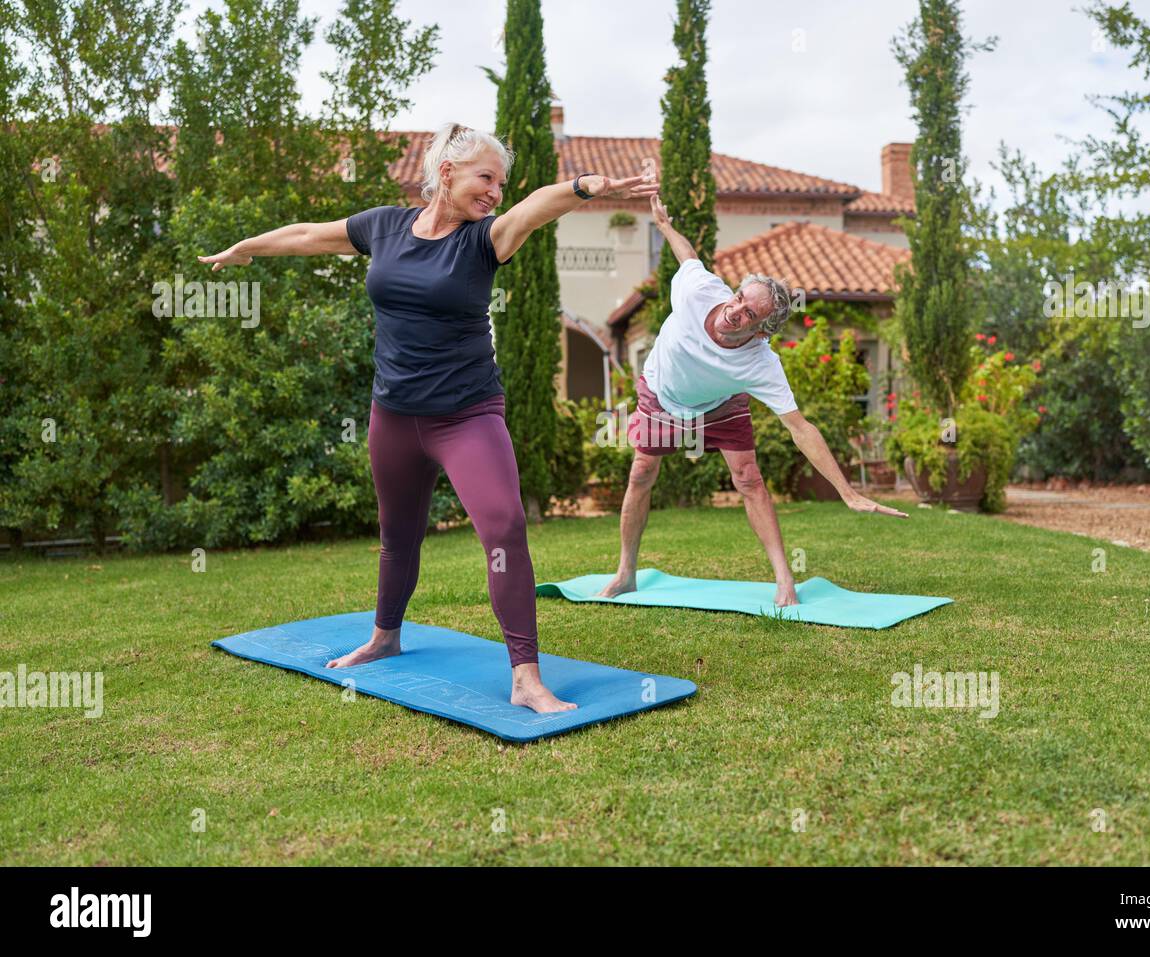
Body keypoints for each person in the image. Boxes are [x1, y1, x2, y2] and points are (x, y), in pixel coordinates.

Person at [198, 122, 658, 712]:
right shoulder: (384, 226)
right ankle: (385, 636)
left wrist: (588, 187)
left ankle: (525, 676)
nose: (495, 192)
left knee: (504, 528)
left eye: (501, 182)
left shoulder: (483, 241)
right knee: (398, 536)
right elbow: (312, 234)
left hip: (466, 415)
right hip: (392, 416)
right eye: (485, 177)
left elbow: (537, 207)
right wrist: (246, 248)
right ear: (446, 172)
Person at [598, 195, 907, 606]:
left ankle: (784, 581)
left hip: (720, 406)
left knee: (748, 478)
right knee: (641, 474)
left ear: (762, 332)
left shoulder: (760, 362)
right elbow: (687, 255)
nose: (735, 311)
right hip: (662, 395)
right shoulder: (698, 291)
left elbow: (800, 427)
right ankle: (626, 573)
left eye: (748, 315)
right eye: (739, 298)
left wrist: (847, 492)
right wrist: (665, 226)